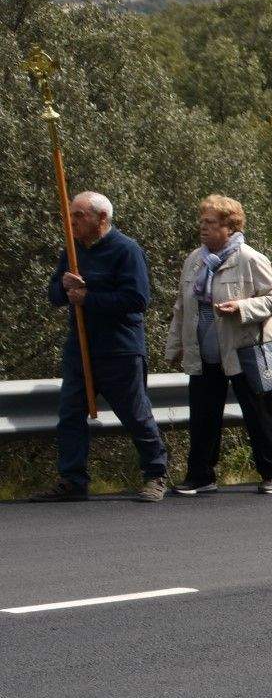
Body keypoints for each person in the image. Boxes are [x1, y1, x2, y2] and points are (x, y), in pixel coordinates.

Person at [32, 191, 170, 503]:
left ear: (102, 219)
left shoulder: (126, 250)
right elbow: (54, 295)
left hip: (120, 348)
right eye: (70, 214)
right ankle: (73, 480)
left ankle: (155, 473)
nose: (71, 221)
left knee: (135, 414)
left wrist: (89, 298)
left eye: (79, 215)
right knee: (70, 414)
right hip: (80, 349)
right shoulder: (71, 248)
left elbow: (137, 300)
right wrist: (64, 287)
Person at [167, 194, 272, 496]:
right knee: (203, 415)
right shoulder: (195, 260)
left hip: (244, 348)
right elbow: (181, 308)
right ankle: (201, 476)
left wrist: (243, 307)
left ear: (230, 227)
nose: (203, 228)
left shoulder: (250, 258)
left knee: (258, 414)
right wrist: (175, 347)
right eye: (202, 222)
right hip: (205, 351)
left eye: (210, 223)